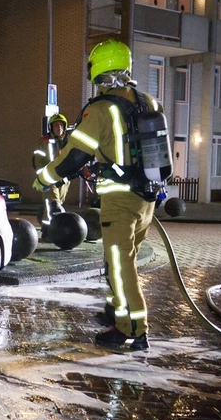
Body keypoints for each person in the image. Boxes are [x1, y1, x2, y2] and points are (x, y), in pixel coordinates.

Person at [32, 39, 162, 351]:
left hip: (120, 200)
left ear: (99, 68)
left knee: (120, 265)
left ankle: (132, 331)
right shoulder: (149, 102)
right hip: (148, 196)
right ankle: (116, 311)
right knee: (119, 260)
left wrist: (44, 178)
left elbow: (75, 156)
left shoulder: (103, 109)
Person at [32, 113, 69, 239]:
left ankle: (46, 228)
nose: (58, 127)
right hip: (49, 177)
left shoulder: (69, 142)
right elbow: (38, 159)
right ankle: (51, 231)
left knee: (54, 204)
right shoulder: (44, 141)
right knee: (54, 204)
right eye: (55, 125)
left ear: (64, 127)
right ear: (51, 127)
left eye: (60, 125)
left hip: (64, 179)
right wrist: (42, 177)